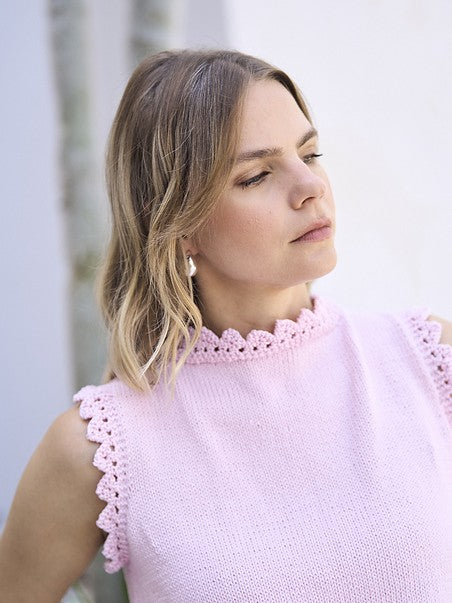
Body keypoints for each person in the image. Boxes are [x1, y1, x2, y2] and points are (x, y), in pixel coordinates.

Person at [0, 49, 451, 603]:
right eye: (256, 175)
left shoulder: (428, 360)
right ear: (180, 226)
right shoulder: (102, 445)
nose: (310, 185)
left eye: (310, 153)